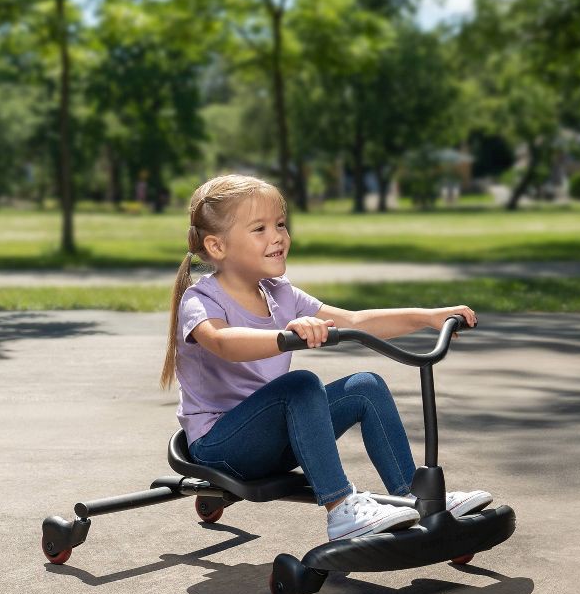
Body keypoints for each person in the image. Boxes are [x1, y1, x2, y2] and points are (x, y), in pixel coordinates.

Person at [160, 174, 492, 542]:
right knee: (300, 385)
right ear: (216, 246)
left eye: (281, 224)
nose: (278, 236)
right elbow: (222, 342)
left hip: (277, 441)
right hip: (221, 447)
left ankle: (414, 498)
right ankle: (341, 510)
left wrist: (426, 316)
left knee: (365, 386)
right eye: (260, 228)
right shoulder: (201, 300)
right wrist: (285, 338)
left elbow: (355, 320)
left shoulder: (280, 294)